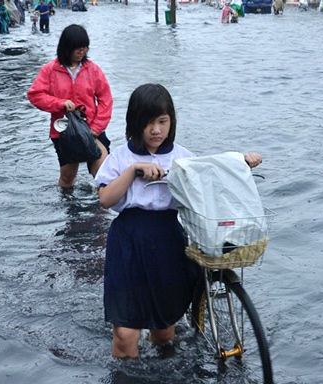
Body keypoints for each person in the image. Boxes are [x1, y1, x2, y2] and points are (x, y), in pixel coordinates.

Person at [94, 83, 263, 358]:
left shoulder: (182, 157)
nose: (156, 130)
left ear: (171, 121)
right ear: (135, 123)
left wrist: (242, 161)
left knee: (164, 334)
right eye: (148, 122)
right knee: (125, 336)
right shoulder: (120, 157)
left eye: (162, 121)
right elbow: (105, 199)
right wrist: (134, 171)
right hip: (128, 242)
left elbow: (213, 171)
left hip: (168, 241)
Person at [28, 24, 113, 188]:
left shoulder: (93, 70)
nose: (82, 52)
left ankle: (100, 211)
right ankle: (69, 208)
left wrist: (96, 128)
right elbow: (35, 95)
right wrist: (59, 103)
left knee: (104, 176)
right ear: (66, 48)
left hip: (92, 129)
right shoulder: (50, 70)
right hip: (64, 132)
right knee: (67, 179)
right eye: (78, 49)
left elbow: (105, 99)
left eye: (85, 48)